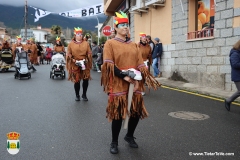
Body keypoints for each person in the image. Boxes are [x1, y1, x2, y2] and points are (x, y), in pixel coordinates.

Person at [101, 11, 161, 154]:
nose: (125, 27)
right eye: (122, 25)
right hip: (118, 83)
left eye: (127, 25)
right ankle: (114, 142)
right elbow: (108, 64)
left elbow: (140, 64)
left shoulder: (134, 45)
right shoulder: (110, 44)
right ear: (115, 28)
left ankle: (129, 136)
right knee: (117, 114)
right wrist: (123, 75)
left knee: (136, 111)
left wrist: (143, 76)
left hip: (134, 83)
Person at [66, 27, 92, 101]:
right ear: (75, 35)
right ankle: (77, 95)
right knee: (76, 80)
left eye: (81, 34)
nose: (80, 35)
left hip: (84, 63)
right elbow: (68, 54)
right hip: (75, 64)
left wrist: (86, 59)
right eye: (78, 34)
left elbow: (89, 53)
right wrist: (73, 60)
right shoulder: (71, 44)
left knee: (85, 80)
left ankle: (84, 94)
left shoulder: (86, 43)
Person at [225, 40, 240, 111]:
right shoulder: (235, 53)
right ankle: (228, 100)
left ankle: (228, 100)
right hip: (237, 76)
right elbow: (235, 64)